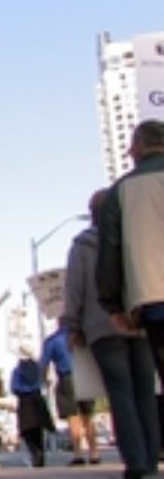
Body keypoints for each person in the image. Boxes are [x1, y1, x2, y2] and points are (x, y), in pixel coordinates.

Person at [64, 189, 159, 479]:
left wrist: (73, 323)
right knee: (145, 392)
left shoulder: (82, 245)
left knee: (121, 394)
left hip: (101, 326)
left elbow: (75, 287)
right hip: (139, 321)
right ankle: (151, 459)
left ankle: (136, 462)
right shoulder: (134, 237)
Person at [97, 120, 164, 381]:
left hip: (154, 298)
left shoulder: (121, 191)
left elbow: (109, 253)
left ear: (138, 148)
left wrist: (113, 305)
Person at [39, 320, 95, 465]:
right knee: (88, 416)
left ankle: (78, 454)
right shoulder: (82, 335)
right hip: (85, 373)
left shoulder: (52, 340)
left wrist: (44, 381)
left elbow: (44, 363)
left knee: (73, 416)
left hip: (66, 378)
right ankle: (94, 453)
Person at [10, 349, 54, 468]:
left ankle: (35, 452)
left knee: (26, 430)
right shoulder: (38, 368)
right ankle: (40, 453)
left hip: (25, 401)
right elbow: (45, 382)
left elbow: (14, 387)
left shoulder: (17, 370)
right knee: (38, 430)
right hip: (38, 399)